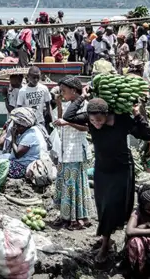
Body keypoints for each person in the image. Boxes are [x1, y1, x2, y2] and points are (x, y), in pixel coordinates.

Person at [64, 97, 150, 264]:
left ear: (107, 114)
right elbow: (69, 116)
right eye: (92, 120)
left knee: (111, 206)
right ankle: (107, 238)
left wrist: (138, 114)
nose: (96, 123)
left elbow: (146, 134)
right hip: (102, 170)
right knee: (102, 205)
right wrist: (82, 96)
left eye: (99, 119)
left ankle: (105, 245)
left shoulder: (122, 121)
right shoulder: (90, 120)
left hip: (121, 169)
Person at [53, 76, 92, 230]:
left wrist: (68, 122)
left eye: (64, 91)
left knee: (74, 184)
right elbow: (61, 121)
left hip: (75, 149)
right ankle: (66, 216)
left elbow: (87, 127)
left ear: (74, 91)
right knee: (65, 183)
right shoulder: (66, 104)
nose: (61, 93)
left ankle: (77, 218)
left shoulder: (85, 105)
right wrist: (58, 105)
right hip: (65, 150)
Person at [0, 107, 44, 178]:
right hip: (20, 163)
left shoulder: (30, 136)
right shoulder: (25, 133)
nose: (16, 127)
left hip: (23, 167)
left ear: (25, 125)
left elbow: (17, 154)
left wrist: (13, 137)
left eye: (18, 125)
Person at [16, 66, 52, 134]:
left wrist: (51, 120)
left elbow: (48, 106)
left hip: (40, 121)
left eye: (38, 77)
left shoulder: (44, 89)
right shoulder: (22, 91)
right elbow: (19, 109)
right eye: (33, 77)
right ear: (28, 77)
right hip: (27, 123)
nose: (36, 80)